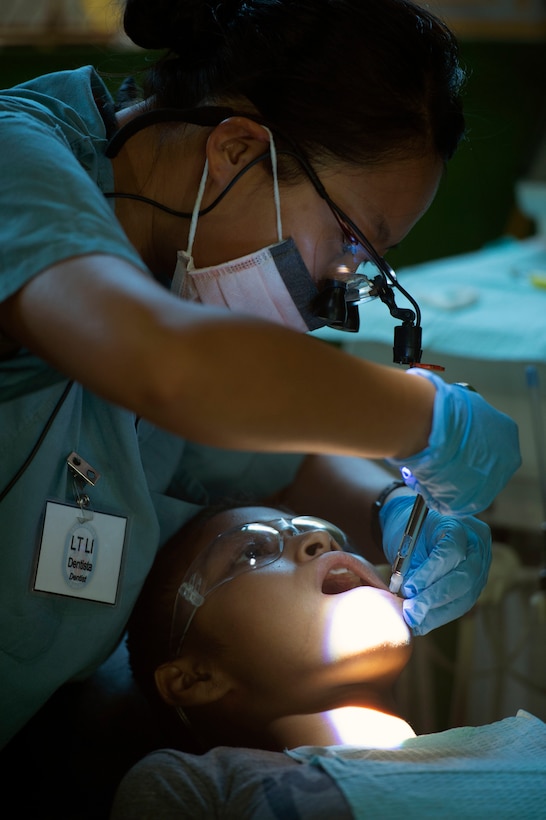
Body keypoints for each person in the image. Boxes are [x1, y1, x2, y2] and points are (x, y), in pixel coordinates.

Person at [0, 0, 521, 752]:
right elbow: (168, 364)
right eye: (347, 249)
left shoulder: (174, 268)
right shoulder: (17, 162)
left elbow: (279, 461)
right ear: (239, 151)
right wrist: (428, 416)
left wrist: (393, 512)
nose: (334, 300)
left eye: (366, 274)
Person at [111, 503, 546, 820]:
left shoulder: (532, 747)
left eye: (315, 527)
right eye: (252, 552)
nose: (321, 540)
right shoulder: (200, 785)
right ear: (196, 677)